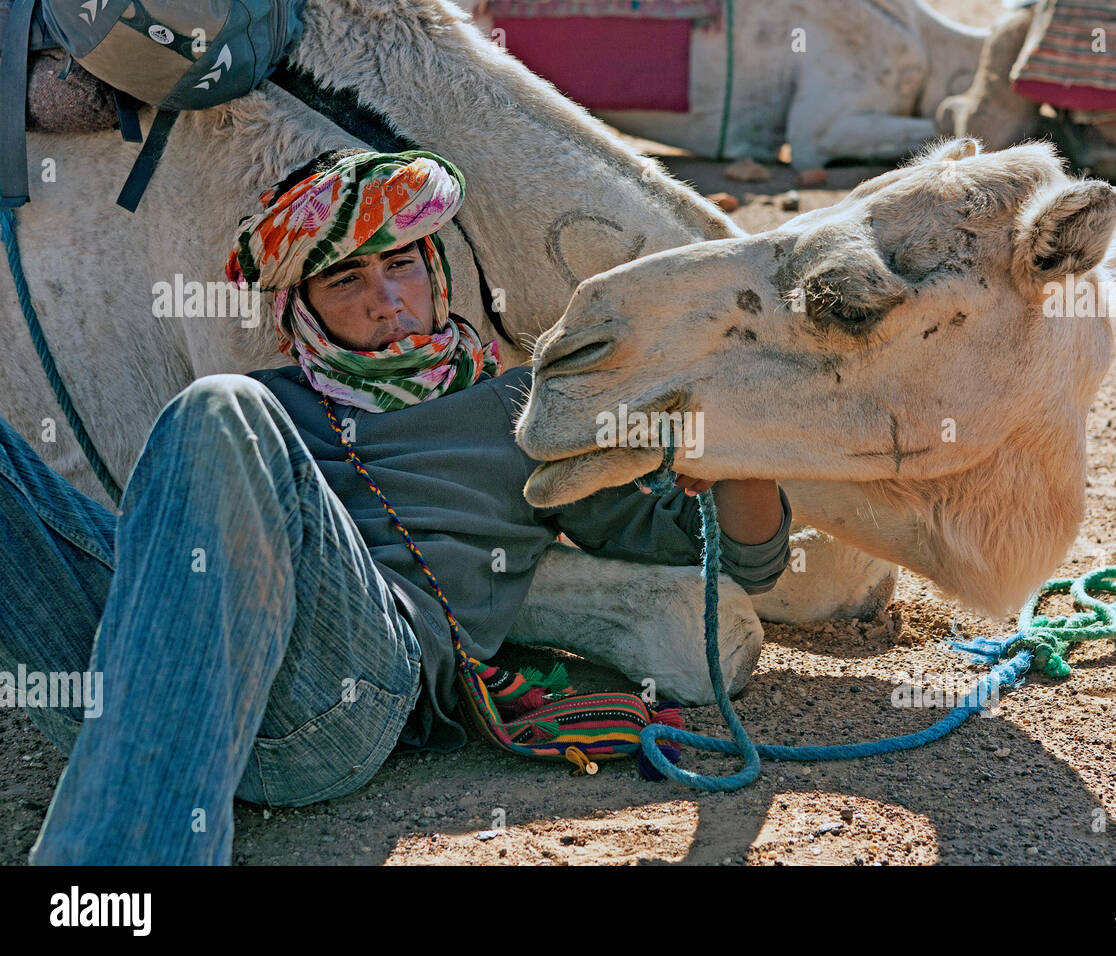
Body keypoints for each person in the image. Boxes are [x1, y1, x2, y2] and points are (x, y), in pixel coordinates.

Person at [0, 148, 792, 865]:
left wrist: (734, 449)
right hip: (160, 687)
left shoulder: (521, 412)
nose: (387, 301)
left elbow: (733, 555)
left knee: (215, 409)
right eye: (346, 280)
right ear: (301, 308)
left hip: (344, 704)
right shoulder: (271, 408)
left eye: (402, 265)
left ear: (436, 272)